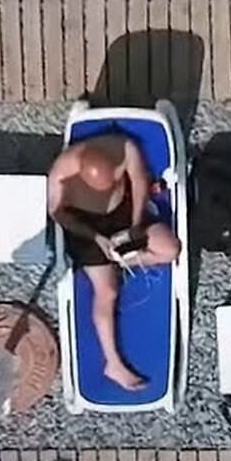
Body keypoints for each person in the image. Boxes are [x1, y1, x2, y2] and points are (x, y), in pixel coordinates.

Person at [48, 133, 182, 391]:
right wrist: (96, 238)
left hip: (122, 215)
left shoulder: (124, 149)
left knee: (169, 249)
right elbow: (59, 214)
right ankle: (113, 364)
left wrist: (135, 226)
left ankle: (120, 261)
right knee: (107, 292)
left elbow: (140, 182)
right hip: (88, 226)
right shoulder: (61, 173)